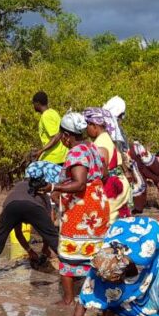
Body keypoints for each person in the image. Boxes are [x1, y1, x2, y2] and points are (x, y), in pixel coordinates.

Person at [50, 113, 111, 303]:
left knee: (68, 252)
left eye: (62, 136)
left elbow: (79, 184)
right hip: (97, 205)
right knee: (93, 252)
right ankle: (95, 295)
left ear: (67, 135)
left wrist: (54, 187)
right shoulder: (92, 148)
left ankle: (68, 299)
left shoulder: (76, 152)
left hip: (83, 209)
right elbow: (105, 174)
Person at [0, 166, 61, 279]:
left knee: (0, 238)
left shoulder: (18, 185)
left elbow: (18, 233)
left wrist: (30, 251)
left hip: (11, 206)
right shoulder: (43, 192)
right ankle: (70, 268)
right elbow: (49, 229)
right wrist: (45, 250)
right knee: (54, 237)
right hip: (33, 207)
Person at [84, 107, 132, 218]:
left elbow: (102, 172)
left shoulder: (100, 143)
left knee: (107, 221)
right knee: (119, 220)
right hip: (120, 182)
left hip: (112, 187)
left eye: (87, 126)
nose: (86, 130)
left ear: (94, 126)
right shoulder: (107, 137)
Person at [130, 142, 159, 213]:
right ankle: (136, 207)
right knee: (140, 185)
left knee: (143, 186)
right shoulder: (152, 160)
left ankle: (137, 208)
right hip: (138, 164)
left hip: (142, 165)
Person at [33, 91, 67, 164]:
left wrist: (41, 151)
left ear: (38, 103)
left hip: (54, 158)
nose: (33, 106)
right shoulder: (53, 112)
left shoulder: (46, 116)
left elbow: (56, 136)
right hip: (62, 155)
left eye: (34, 103)